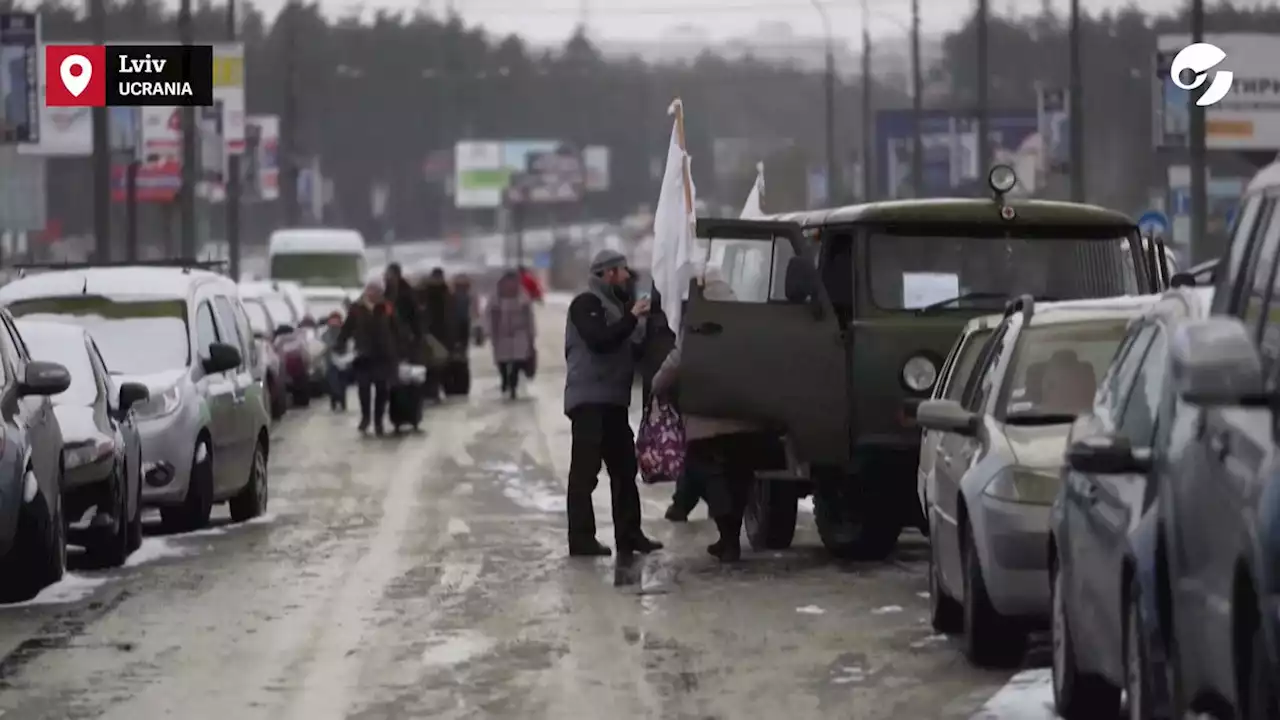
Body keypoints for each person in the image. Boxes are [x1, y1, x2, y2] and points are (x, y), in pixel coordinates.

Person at [651, 273, 767, 562]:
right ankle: (730, 540)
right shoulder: (751, 330)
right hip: (747, 420)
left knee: (707, 476)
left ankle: (728, 539)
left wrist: (660, 387)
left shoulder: (698, 333)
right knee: (739, 479)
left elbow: (665, 376)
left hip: (707, 424)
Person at [563, 249, 663, 558]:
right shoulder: (586, 304)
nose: (626, 277)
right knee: (585, 472)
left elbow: (629, 349)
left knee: (624, 469)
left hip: (614, 401)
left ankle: (630, 534)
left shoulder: (620, 308)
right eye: (622, 271)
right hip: (590, 401)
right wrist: (632, 318)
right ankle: (581, 539)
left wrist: (643, 326)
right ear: (607, 274)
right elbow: (600, 340)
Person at [336, 279, 401, 435]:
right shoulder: (356, 308)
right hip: (363, 355)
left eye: (376, 291)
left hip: (383, 355)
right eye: (370, 290)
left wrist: (400, 349)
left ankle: (378, 421)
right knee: (363, 388)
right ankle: (366, 418)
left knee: (381, 390)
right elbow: (347, 328)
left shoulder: (387, 307)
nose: (372, 294)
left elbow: (397, 329)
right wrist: (340, 344)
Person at [488, 270, 536, 399]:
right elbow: (490, 316)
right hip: (501, 334)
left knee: (517, 361)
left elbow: (529, 317)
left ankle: (513, 385)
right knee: (502, 361)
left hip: (519, 334)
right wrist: (490, 332)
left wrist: (531, 334)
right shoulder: (496, 297)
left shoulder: (523, 296)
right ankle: (504, 380)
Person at [417, 268, 454, 402]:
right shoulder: (445, 293)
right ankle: (433, 391)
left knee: (432, 365)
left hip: (433, 333)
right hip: (436, 334)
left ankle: (431, 391)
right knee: (436, 365)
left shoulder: (425, 292)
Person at [320, 310, 349, 411]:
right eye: (332, 320)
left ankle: (342, 400)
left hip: (342, 361)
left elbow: (348, 344)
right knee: (333, 382)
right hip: (330, 361)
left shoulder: (345, 332)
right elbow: (323, 345)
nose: (334, 323)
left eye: (336, 320)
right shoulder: (326, 334)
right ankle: (334, 398)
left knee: (342, 383)